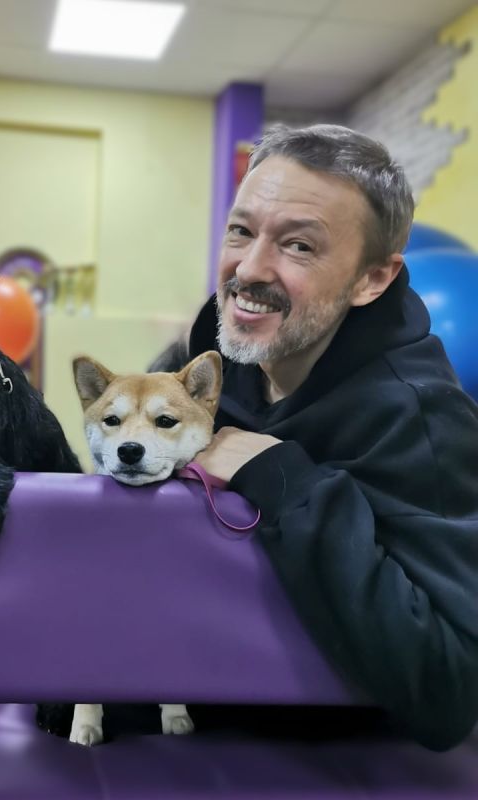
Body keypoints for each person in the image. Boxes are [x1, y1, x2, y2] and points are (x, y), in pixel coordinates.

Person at [151, 124, 478, 751]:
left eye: (298, 246)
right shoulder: (207, 359)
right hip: (186, 698)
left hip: (319, 751)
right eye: (241, 231)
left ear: (371, 279)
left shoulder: (421, 419)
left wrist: (286, 481)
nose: (249, 269)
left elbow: (450, 687)